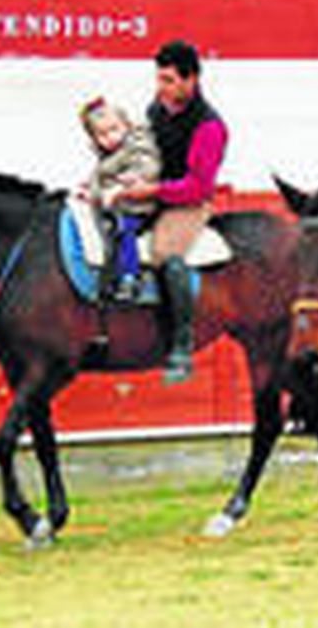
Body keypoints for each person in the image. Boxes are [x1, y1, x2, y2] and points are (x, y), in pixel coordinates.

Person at [115, 40, 229, 384]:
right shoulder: (157, 110)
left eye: (168, 80)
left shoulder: (210, 127)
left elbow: (199, 187)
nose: (160, 88)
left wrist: (150, 190)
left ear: (190, 80)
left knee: (165, 254)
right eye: (159, 79)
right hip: (155, 192)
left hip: (188, 203)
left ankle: (182, 344)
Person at [77, 95, 161, 304]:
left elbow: (149, 166)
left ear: (127, 125)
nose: (110, 138)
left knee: (125, 230)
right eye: (102, 135)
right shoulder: (107, 155)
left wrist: (128, 183)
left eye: (114, 130)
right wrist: (89, 188)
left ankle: (130, 277)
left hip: (141, 205)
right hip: (119, 205)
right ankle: (107, 274)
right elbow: (101, 177)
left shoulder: (137, 145)